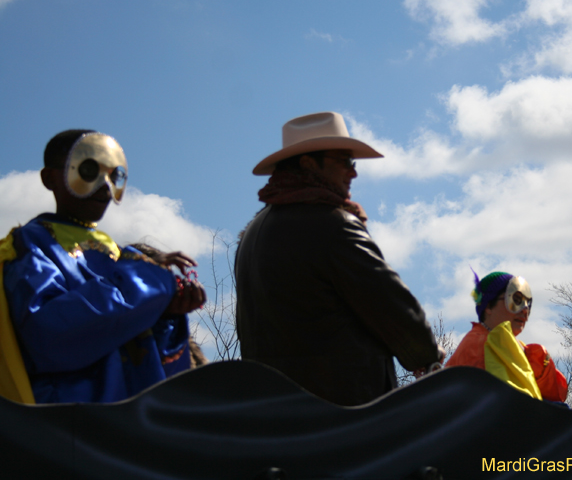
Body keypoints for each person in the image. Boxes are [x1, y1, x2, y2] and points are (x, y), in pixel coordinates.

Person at [235, 111, 443, 406]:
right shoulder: (331, 223)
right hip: (344, 415)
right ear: (308, 163)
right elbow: (389, 302)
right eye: (344, 161)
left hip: (274, 413)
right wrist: (427, 357)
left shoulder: (253, 234)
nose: (353, 172)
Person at [0, 130, 205, 404]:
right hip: (68, 425)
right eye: (88, 169)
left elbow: (143, 355)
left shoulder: (118, 253)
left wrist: (166, 315)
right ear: (50, 178)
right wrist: (147, 280)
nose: (104, 185)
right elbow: (50, 337)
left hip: (129, 425)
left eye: (114, 175)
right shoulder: (30, 245)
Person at [446, 271, 568, 402]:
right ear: (488, 306)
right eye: (516, 300)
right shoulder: (479, 345)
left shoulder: (515, 347)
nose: (525, 310)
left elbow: (555, 393)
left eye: (528, 304)